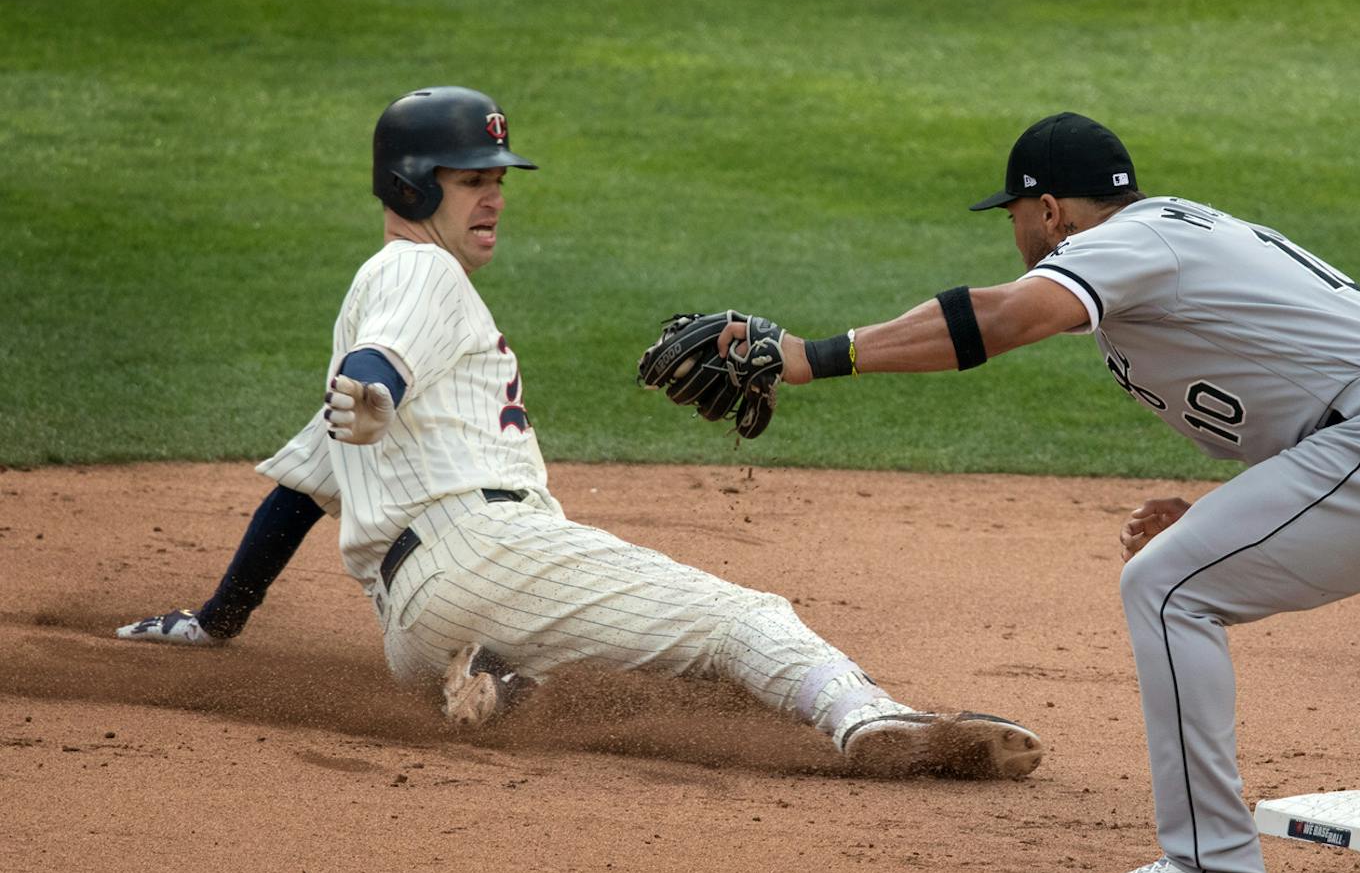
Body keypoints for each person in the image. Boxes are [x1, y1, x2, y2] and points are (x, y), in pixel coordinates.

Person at [654, 111, 1360, 873]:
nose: (1023, 236)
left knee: (1166, 587)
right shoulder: (1174, 253)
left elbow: (1007, 316)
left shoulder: (1132, 240)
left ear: (1051, 209)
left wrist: (807, 357)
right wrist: (1223, 502)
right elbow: (1314, 401)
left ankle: (1211, 861)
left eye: (1020, 216)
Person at [117, 86, 1044, 782]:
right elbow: (376, 371)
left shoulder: (395, 293)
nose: (493, 199)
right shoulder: (421, 278)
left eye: (497, 182)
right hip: (485, 551)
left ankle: (503, 686)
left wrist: (217, 619)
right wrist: (368, 389)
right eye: (471, 182)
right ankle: (878, 725)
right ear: (410, 182)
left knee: (662, 677)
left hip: (414, 624)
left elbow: (303, 488)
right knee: (746, 621)